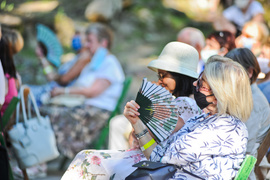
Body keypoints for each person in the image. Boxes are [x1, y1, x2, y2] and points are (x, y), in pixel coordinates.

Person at [61, 47, 252, 180]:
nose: (195, 84)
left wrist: (144, 128)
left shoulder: (225, 128)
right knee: (86, 159)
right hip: (161, 173)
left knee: (89, 164)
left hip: (164, 175)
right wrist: (137, 123)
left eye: (201, 83)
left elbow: (163, 156)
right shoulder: (203, 119)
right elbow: (158, 155)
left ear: (219, 93)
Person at [39, 22, 125, 159]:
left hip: (96, 112)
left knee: (47, 114)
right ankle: (41, 158)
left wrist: (64, 92)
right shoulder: (96, 61)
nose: (86, 46)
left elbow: (92, 91)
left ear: (103, 42)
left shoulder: (110, 63)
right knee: (44, 110)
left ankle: (42, 159)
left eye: (90, 41)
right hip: (86, 107)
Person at [109, 42, 202, 150]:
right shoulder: (178, 101)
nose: (159, 81)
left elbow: (151, 132)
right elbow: (140, 139)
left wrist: (151, 100)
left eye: (164, 76)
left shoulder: (186, 103)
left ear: (180, 77)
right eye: (159, 76)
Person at [225, 48, 270, 179]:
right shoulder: (241, 95)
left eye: (230, 72)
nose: (225, 76)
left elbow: (245, 149)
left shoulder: (253, 102)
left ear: (249, 72)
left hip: (242, 170)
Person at [29, 30, 92, 107]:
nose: (74, 38)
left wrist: (56, 77)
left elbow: (64, 79)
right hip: (50, 89)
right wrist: (42, 59)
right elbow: (51, 77)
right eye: (74, 35)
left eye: (78, 35)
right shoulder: (75, 57)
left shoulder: (85, 57)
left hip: (54, 94)